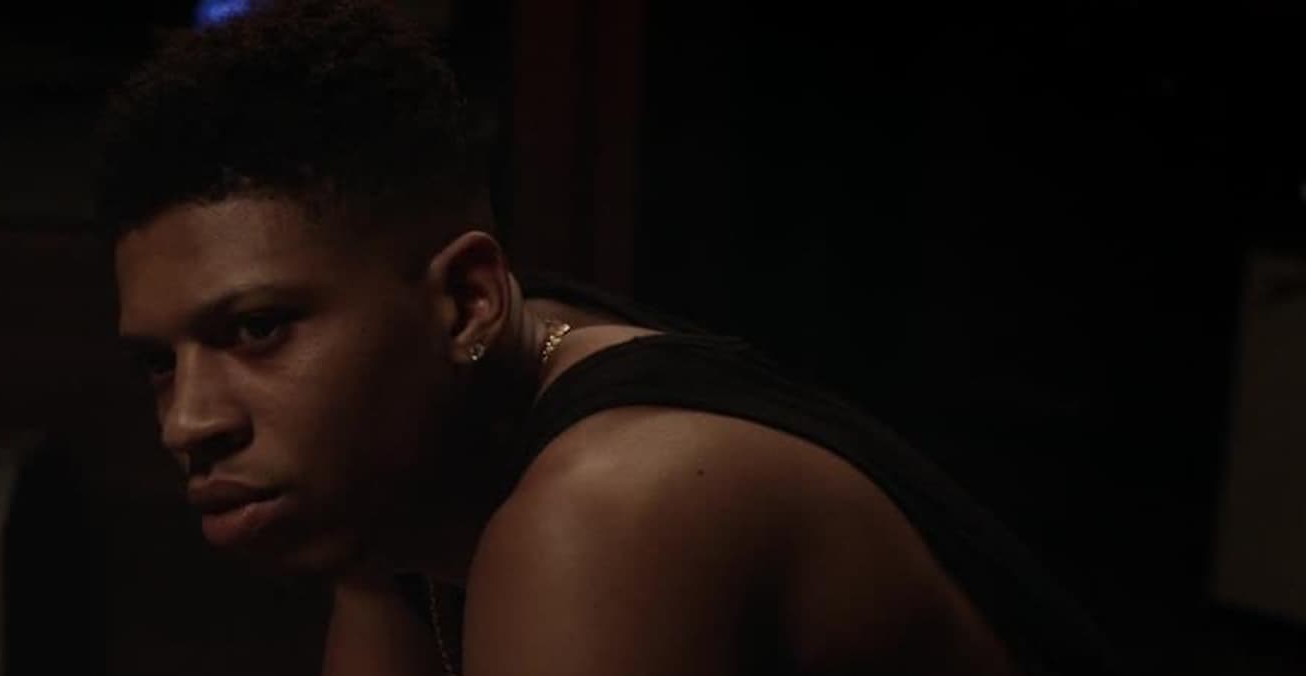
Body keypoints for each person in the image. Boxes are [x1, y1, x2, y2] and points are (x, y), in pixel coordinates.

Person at [96, 2, 1114, 674]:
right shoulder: (398, 487)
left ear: (468, 303)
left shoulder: (605, 512)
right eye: (158, 362)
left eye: (259, 329)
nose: (189, 422)